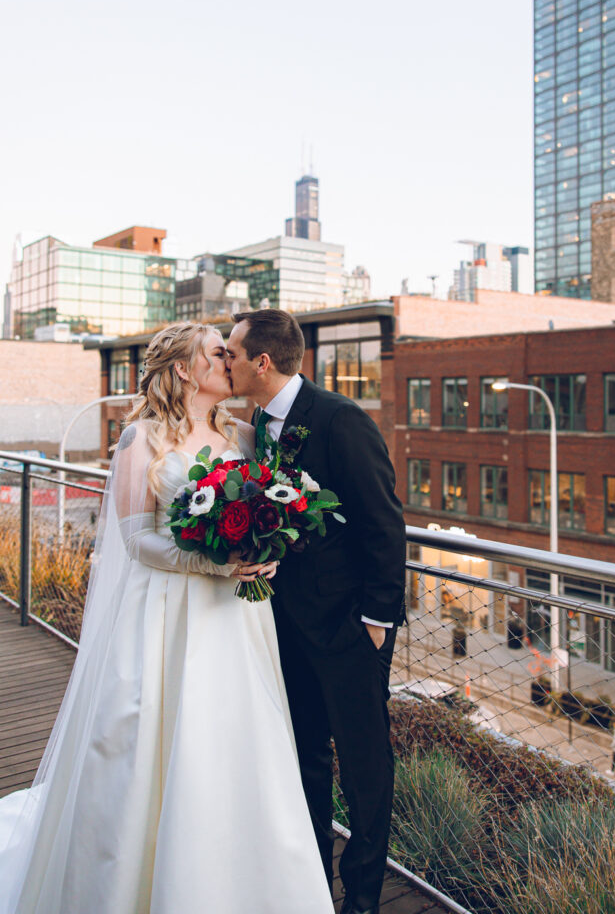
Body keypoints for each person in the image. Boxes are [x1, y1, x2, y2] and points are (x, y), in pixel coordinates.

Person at [0, 322, 334, 914]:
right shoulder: (140, 439)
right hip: (167, 616)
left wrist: (265, 551)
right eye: (218, 354)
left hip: (235, 620)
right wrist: (213, 562)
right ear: (183, 369)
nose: (230, 362)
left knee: (236, 742)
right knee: (150, 740)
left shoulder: (246, 437)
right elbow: (136, 543)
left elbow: (274, 511)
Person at [225, 309, 406, 914]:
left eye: (232, 353)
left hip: (350, 629)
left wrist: (378, 620)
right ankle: (310, 886)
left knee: (364, 772)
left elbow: (384, 522)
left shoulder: (340, 418)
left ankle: (361, 899)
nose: (226, 363)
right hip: (287, 626)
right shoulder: (259, 423)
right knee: (305, 757)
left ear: (262, 362)